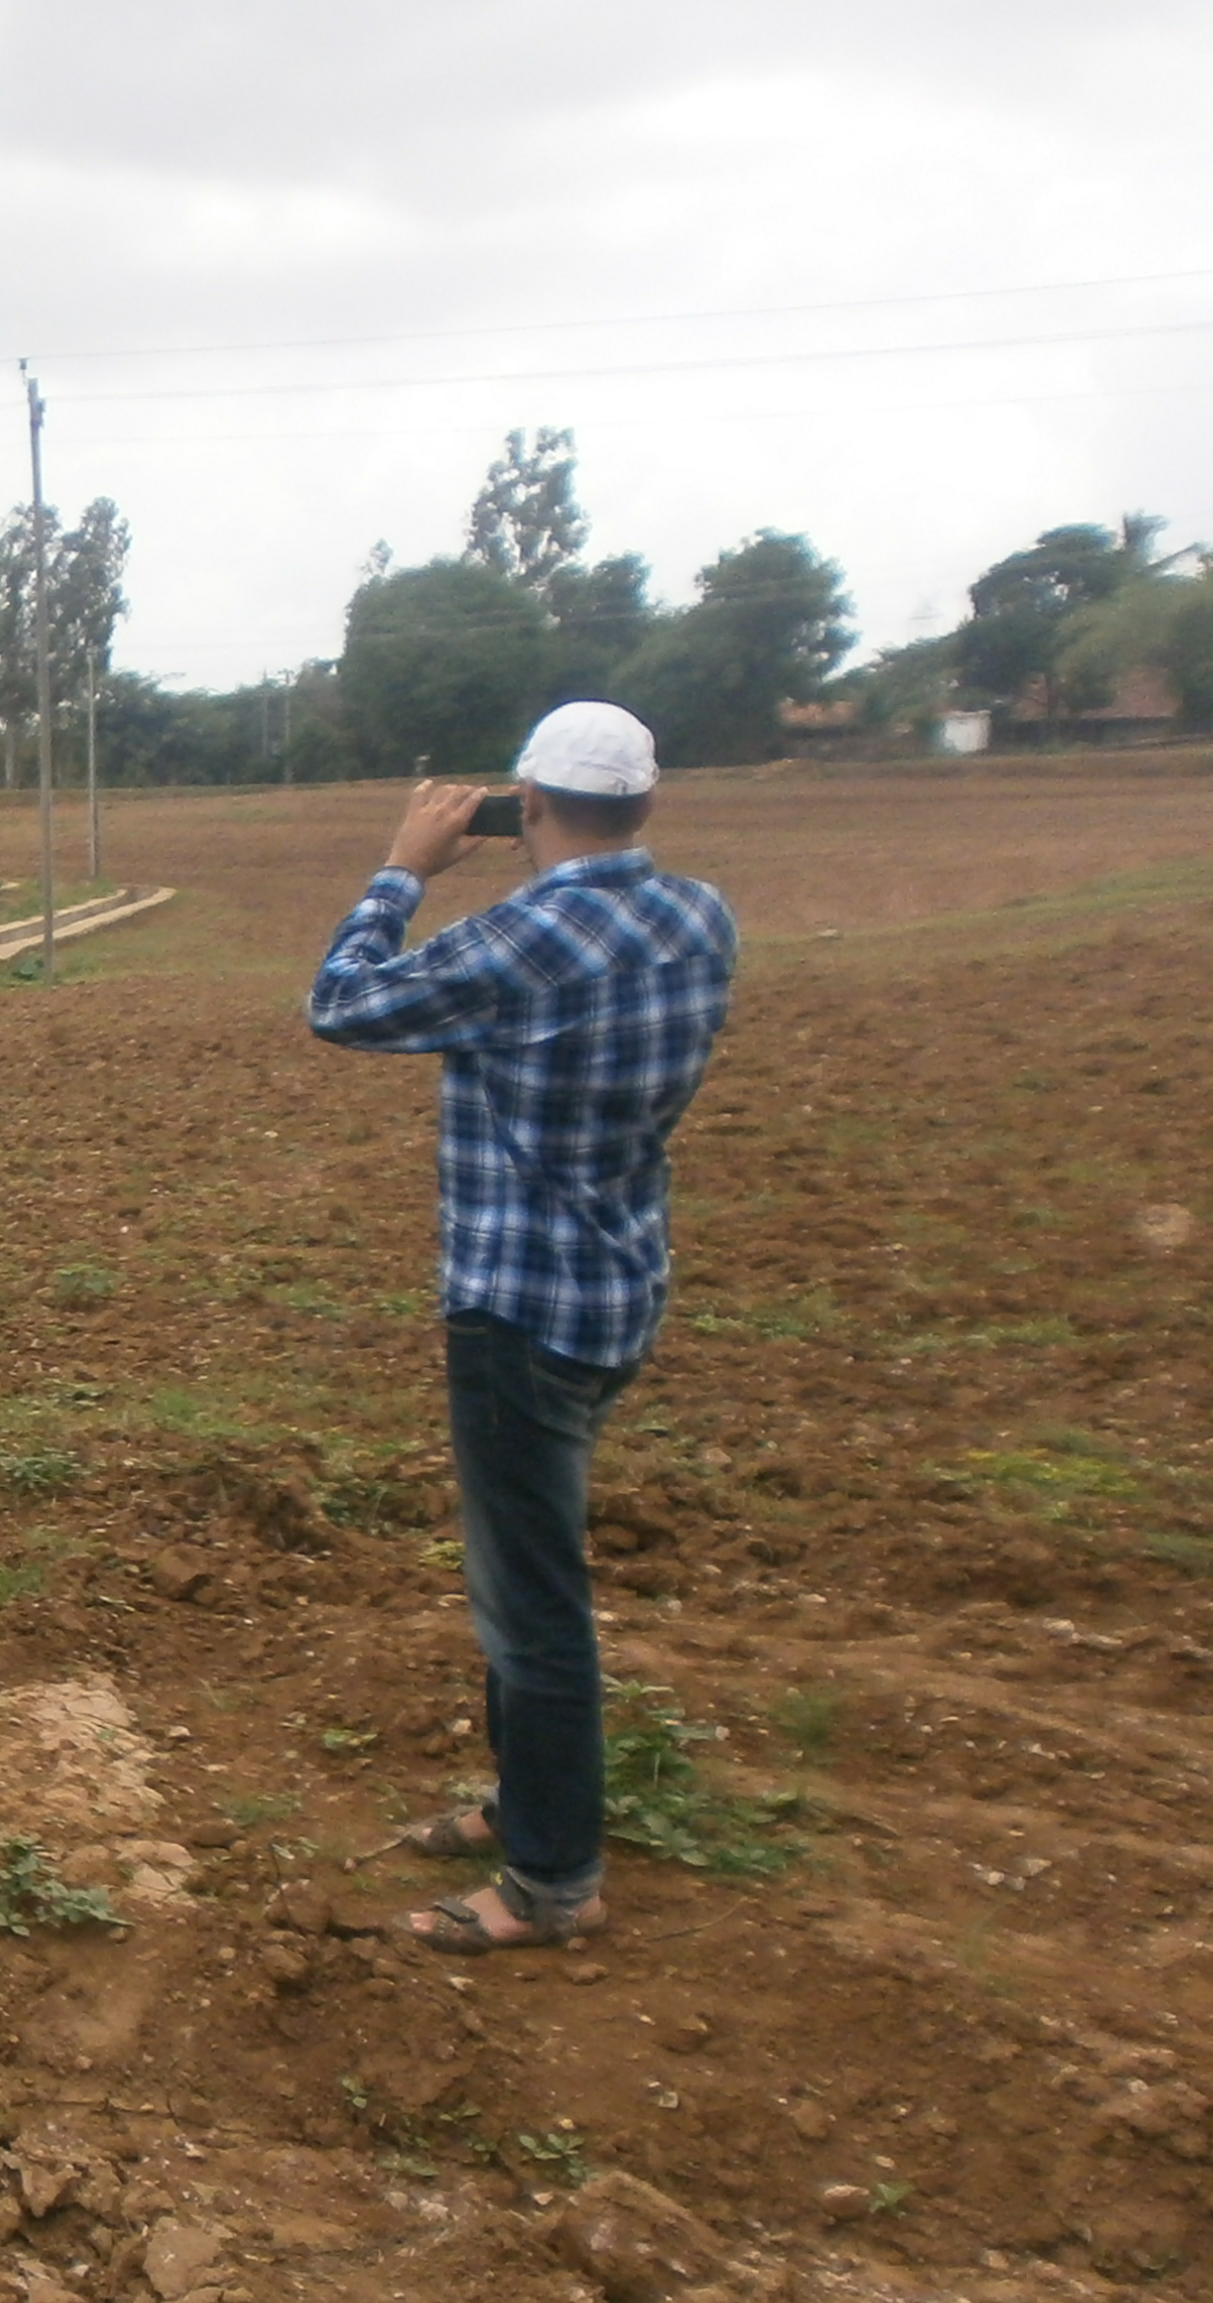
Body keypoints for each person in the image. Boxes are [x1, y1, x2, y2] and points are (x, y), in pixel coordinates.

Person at [305, 699, 733, 1949]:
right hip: (616, 1288)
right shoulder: (699, 916)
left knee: (529, 1605)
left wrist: (402, 869)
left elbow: (340, 1001)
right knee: (527, 1574)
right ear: (644, 804)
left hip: (516, 1309)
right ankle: (524, 1800)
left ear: (525, 803)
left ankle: (551, 1881)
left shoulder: (519, 939)